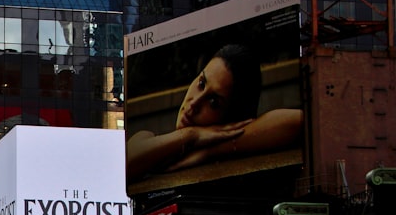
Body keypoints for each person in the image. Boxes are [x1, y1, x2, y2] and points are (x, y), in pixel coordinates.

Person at [126, 44, 303, 182]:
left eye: (213, 102)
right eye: (201, 83)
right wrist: (191, 134)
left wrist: (211, 151)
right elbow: (125, 163)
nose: (194, 103)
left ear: (231, 115)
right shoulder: (147, 139)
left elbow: (299, 121)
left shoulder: (233, 145)